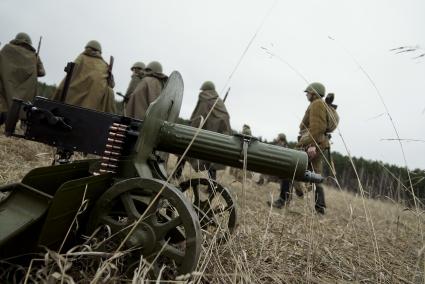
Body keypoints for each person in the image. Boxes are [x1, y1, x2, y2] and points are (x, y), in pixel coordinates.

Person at [53, 40, 116, 113]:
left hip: (69, 106)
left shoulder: (81, 58)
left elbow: (69, 77)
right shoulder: (104, 65)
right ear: (99, 51)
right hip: (92, 111)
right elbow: (112, 84)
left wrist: (56, 97)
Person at [297, 82, 329, 214]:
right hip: (318, 144)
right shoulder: (317, 104)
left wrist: (312, 146)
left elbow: (317, 127)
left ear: (314, 93)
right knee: (315, 175)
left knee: (293, 166)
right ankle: (320, 207)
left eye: (308, 92)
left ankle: (284, 198)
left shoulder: (317, 104)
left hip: (313, 144)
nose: (306, 94)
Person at [189, 81, 231, 179]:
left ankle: (176, 174)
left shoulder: (205, 99)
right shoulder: (218, 101)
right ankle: (212, 185)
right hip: (221, 134)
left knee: (185, 150)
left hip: (210, 132)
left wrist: (191, 128)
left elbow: (199, 116)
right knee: (213, 158)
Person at [0, 32, 45, 125]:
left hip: (5, 87)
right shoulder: (34, 56)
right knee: (20, 108)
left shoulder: (6, 49)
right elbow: (42, 72)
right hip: (24, 92)